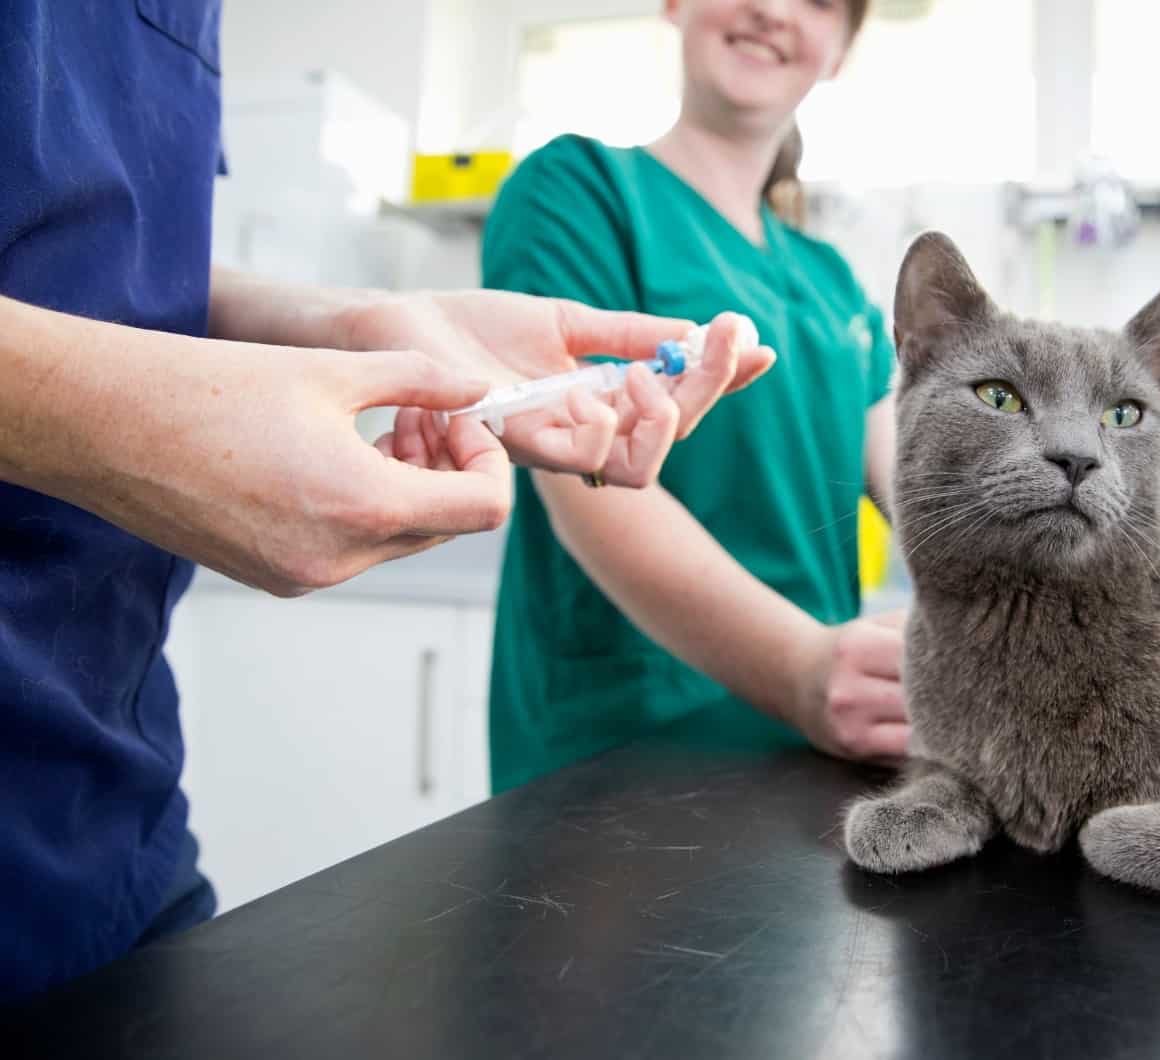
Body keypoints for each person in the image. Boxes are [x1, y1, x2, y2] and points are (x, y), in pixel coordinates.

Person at [0, 2, 771, 1004]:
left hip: (112, 814)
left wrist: (357, 325)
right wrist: (132, 417)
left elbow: (109, 277)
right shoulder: (582, 189)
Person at [485, 0, 909, 792]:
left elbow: (920, 485)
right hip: (621, 754)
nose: (773, 10)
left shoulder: (833, 283)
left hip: (822, 759)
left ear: (842, 48)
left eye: (818, 2)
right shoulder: (577, 192)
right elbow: (588, 478)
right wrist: (804, 670)